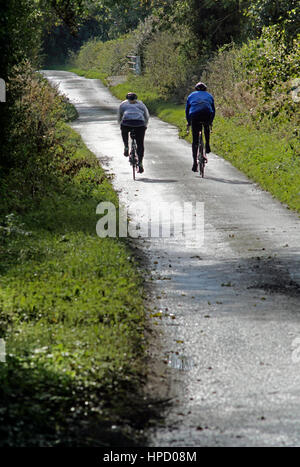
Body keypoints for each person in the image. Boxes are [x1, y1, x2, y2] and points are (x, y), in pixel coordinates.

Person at [186, 82, 215, 172]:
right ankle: (207, 144)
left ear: (196, 89)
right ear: (205, 89)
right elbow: (213, 110)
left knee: (195, 140)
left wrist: (189, 122)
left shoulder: (191, 95)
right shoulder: (209, 96)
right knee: (206, 127)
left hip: (195, 115)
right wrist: (211, 121)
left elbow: (187, 110)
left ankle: (195, 163)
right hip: (207, 114)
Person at [118, 92, 149, 174]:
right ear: (136, 98)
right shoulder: (141, 104)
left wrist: (120, 124)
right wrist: (145, 125)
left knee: (124, 131)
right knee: (140, 144)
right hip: (139, 124)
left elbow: (120, 116)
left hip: (127, 123)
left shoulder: (123, 104)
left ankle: (126, 147)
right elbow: (146, 115)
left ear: (127, 99)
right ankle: (140, 163)